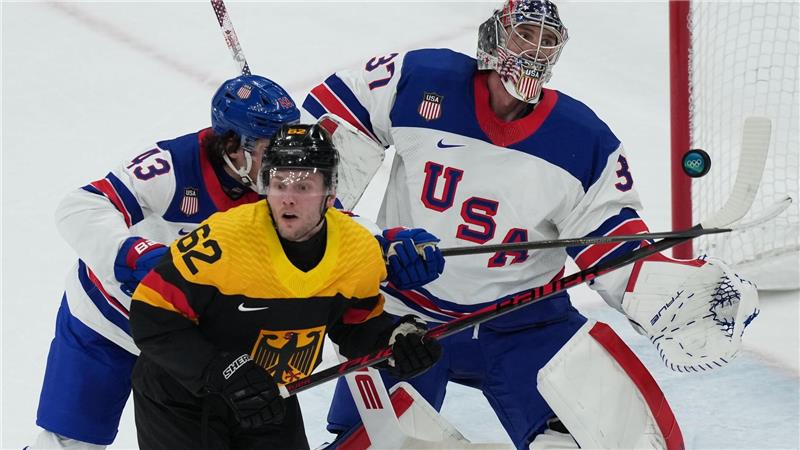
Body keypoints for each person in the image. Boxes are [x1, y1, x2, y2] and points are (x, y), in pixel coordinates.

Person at [303, 1, 760, 449]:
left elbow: (611, 241)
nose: (534, 50)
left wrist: (672, 295)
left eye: (547, 41)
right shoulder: (421, 79)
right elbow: (327, 134)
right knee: (373, 445)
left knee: (613, 442)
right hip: (403, 318)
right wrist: (361, 240)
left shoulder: (582, 138)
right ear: (495, 36)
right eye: (525, 34)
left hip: (523, 322)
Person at [128, 123, 443, 449]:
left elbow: (354, 327)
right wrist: (220, 370)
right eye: (279, 185)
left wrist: (395, 342)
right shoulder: (224, 240)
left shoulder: (356, 250)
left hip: (270, 394)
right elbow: (151, 314)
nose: (288, 200)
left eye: (304, 187)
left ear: (330, 193)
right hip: (184, 398)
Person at [29, 74, 301, 449]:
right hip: (108, 322)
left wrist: (388, 245)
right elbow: (80, 206)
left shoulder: (282, 187)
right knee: (70, 444)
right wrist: (137, 256)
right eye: (272, 149)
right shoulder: (170, 167)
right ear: (235, 145)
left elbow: (334, 232)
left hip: (183, 341)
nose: (285, 164)